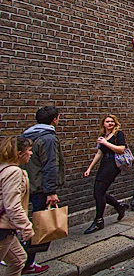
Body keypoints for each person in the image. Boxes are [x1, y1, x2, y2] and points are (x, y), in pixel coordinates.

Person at [22, 106, 66, 275]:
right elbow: (50, 165)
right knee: (39, 225)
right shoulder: (48, 138)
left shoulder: (27, 135)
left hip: (27, 185)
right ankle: (28, 263)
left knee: (24, 221)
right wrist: (51, 191)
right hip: (40, 187)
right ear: (55, 119)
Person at [83, 115, 130, 234]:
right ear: (103, 124)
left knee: (99, 191)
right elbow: (99, 153)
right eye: (107, 122)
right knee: (99, 191)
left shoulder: (118, 134)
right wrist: (90, 168)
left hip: (113, 164)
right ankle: (119, 207)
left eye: (112, 121)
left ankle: (99, 221)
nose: (110, 123)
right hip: (104, 163)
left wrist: (105, 143)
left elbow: (121, 149)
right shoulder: (103, 136)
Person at [0, 136, 35, 276]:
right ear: (19, 154)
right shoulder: (13, 172)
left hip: (6, 228)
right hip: (3, 229)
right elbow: (12, 206)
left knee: (18, 260)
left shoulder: (3, 167)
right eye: (29, 150)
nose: (31, 153)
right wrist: (26, 227)